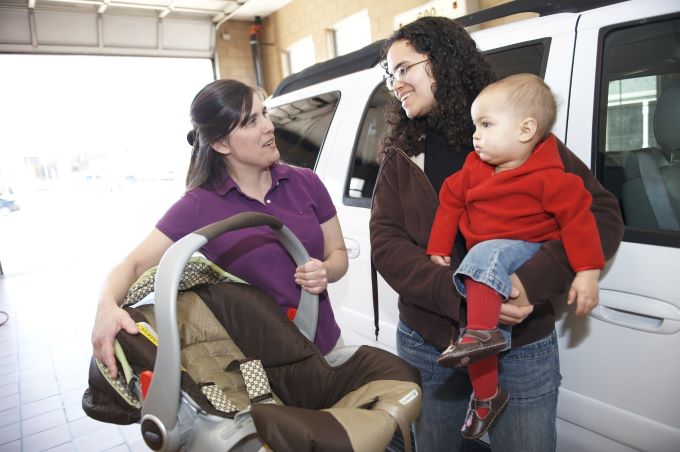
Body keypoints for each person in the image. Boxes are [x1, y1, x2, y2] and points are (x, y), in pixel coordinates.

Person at [369, 16, 624, 452]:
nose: (396, 83)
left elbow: (598, 214)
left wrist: (529, 283)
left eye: (404, 68)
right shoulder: (402, 155)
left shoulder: (517, 134)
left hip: (519, 345)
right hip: (430, 341)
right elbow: (387, 244)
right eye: (390, 74)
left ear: (443, 62)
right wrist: (465, 296)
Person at [92, 79, 348, 379]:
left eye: (264, 113)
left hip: (328, 348)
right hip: (261, 370)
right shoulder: (199, 206)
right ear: (221, 143)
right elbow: (133, 264)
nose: (269, 126)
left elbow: (338, 253)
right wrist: (105, 307)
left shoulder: (306, 183)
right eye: (252, 121)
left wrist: (325, 271)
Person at [426, 74, 605, 440]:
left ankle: (477, 336)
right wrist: (439, 246)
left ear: (526, 130)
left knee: (483, 255)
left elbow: (579, 221)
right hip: (488, 260)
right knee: (480, 275)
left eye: (487, 124)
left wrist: (587, 272)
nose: (476, 135)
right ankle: (487, 395)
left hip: (529, 246)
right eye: (476, 125)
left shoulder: (551, 176)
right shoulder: (475, 168)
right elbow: (450, 198)